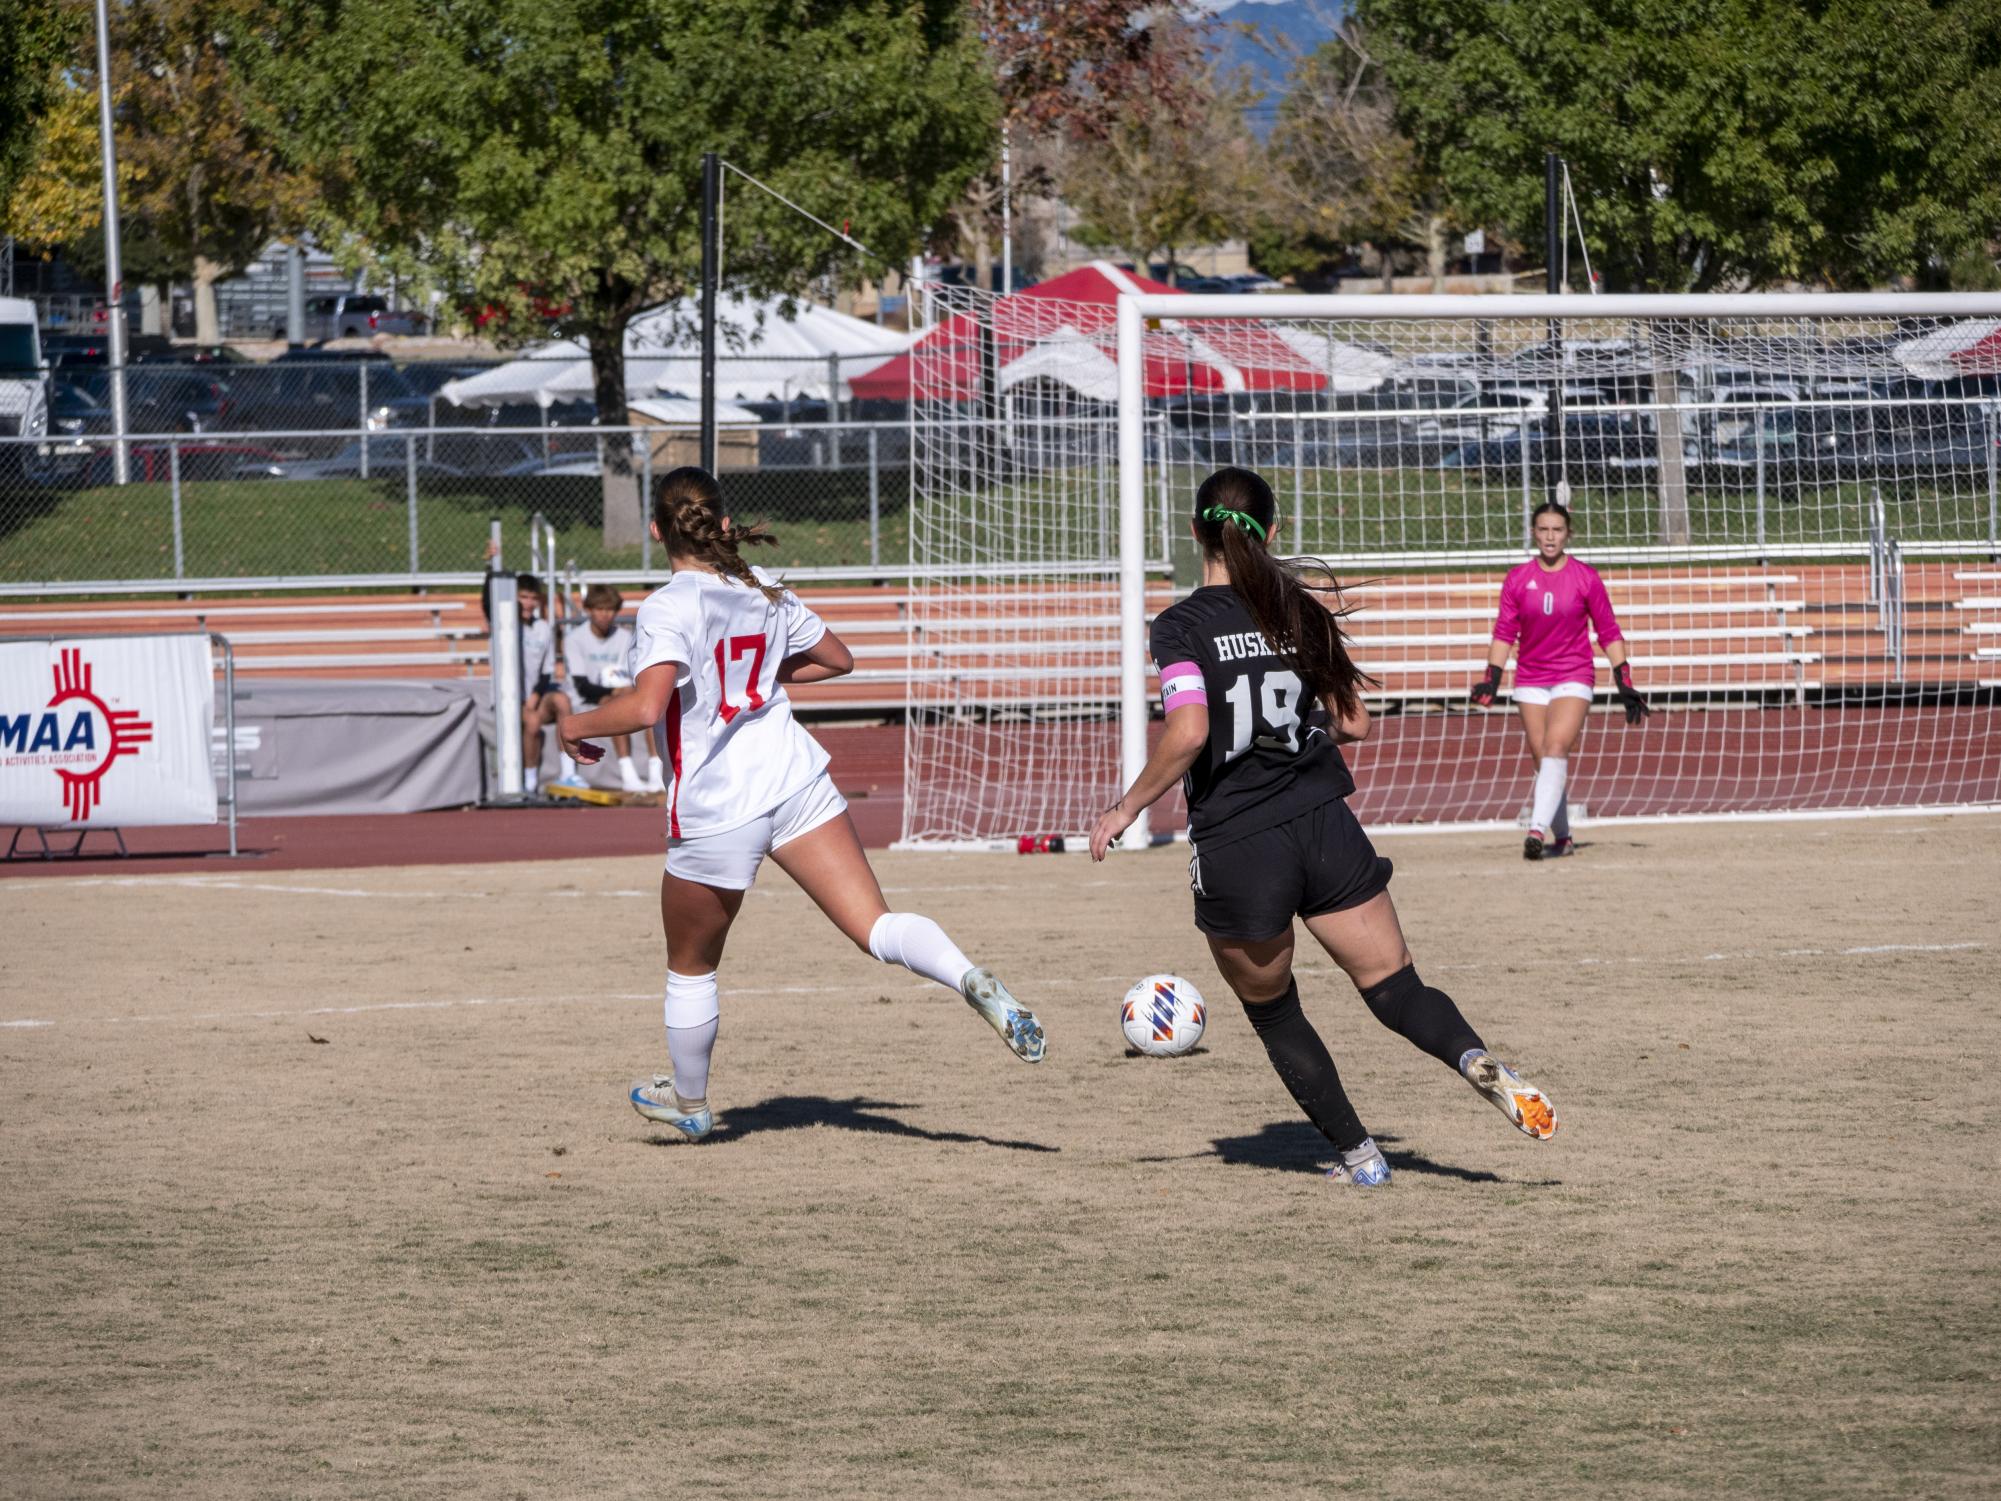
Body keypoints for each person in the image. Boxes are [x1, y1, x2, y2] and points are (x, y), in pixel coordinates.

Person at [1090, 467, 1556, 1188]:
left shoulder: (1180, 624)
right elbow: (1353, 724)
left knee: (1275, 1014)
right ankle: (1473, 1058)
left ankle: (1361, 1158)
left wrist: (1124, 809)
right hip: (1322, 821)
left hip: (1241, 841)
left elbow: (1187, 731)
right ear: (1271, 533)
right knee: (1397, 989)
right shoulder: (1298, 611)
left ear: (1193, 533)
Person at [558, 466, 1045, 1140]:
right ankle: (967, 974)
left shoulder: (668, 606)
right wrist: (764, 673)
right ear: (724, 526)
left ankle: (692, 1103)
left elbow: (647, 705)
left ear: (655, 530)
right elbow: (838, 659)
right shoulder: (764, 591)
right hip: (793, 779)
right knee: (875, 926)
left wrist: (574, 726)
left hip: (718, 804)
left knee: (692, 964)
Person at [1469, 500, 1650, 860]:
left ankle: (1536, 831)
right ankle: (1563, 838)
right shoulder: (1518, 579)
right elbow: (1505, 632)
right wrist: (1491, 679)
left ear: (1569, 534)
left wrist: (1624, 682)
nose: (1550, 537)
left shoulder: (1586, 577)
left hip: (1573, 674)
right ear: (1534, 533)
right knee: (1543, 761)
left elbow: (1608, 631)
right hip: (1531, 678)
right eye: (1543, 529)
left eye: (1557, 530)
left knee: (1555, 748)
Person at [563, 583, 664, 794]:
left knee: (647, 704)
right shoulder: (574, 639)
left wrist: (621, 691)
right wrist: (614, 693)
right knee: (622, 703)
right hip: (587, 699)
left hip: (620, 692)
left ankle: (656, 771)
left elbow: (628, 675)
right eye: (599, 609)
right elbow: (582, 687)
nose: (605, 615)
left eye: (609, 610)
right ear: (588, 610)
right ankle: (627, 772)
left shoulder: (624, 637)